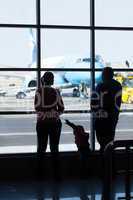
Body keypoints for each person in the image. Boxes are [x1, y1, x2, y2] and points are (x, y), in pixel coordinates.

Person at [91, 67, 122, 152]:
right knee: (109, 142)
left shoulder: (100, 86)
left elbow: (94, 103)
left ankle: (103, 161)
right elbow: (118, 103)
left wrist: (94, 116)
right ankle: (109, 162)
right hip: (112, 117)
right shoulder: (118, 85)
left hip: (101, 118)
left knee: (102, 142)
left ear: (104, 75)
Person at [34, 71, 64, 156]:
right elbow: (61, 108)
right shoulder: (56, 92)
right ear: (51, 80)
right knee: (54, 148)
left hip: (42, 123)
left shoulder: (38, 91)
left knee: (41, 148)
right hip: (54, 123)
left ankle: (40, 167)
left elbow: (37, 108)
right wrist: (54, 114)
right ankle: (55, 168)